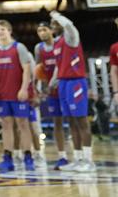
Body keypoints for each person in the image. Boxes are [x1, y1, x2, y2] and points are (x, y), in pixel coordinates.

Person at [0, 19, 34, 172]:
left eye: (2, 29)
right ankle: (7, 158)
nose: (0, 32)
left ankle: (28, 157)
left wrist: (24, 88)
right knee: (6, 125)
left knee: (23, 125)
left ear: (9, 31)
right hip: (2, 93)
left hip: (18, 93)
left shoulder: (19, 47)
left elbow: (27, 69)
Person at [48, 10, 94, 172]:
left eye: (55, 23)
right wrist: (52, 82)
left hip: (76, 83)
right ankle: (78, 158)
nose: (53, 26)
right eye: (52, 24)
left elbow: (69, 25)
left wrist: (56, 15)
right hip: (63, 83)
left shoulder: (71, 37)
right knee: (71, 121)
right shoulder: (56, 42)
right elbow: (59, 65)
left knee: (81, 120)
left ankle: (89, 161)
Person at [34, 21, 68, 168]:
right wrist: (37, 87)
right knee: (57, 123)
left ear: (51, 31)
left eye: (44, 30)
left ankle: (81, 156)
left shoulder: (61, 44)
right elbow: (38, 69)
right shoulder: (39, 48)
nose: (42, 33)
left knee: (75, 122)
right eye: (39, 31)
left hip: (66, 86)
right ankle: (62, 156)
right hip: (51, 90)